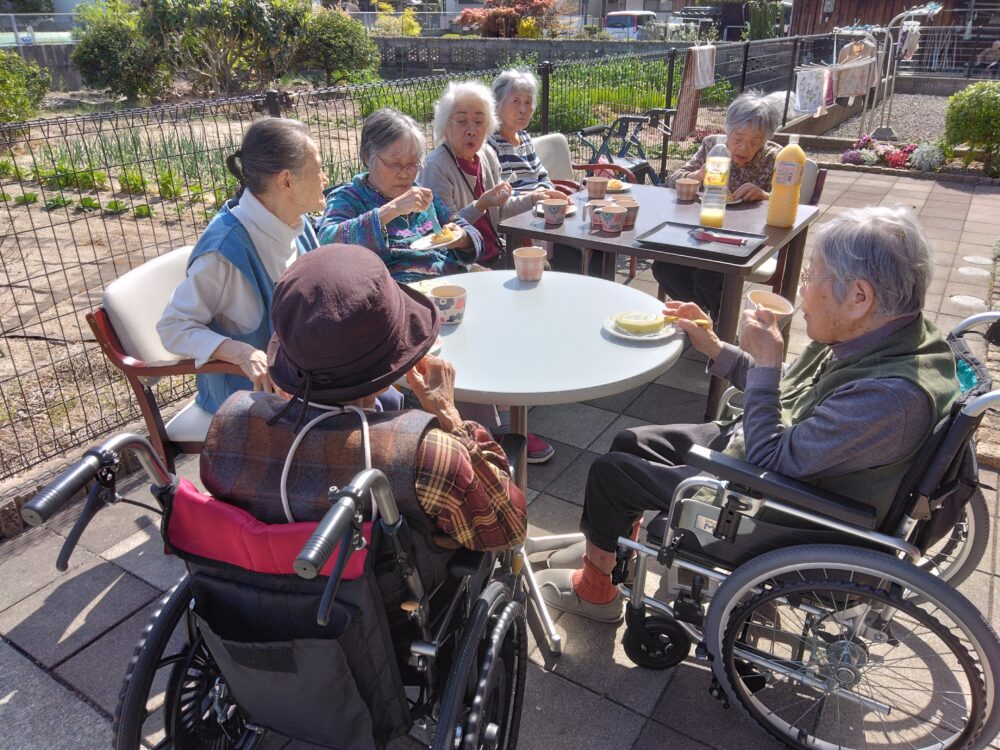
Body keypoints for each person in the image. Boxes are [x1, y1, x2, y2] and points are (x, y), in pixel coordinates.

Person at [534, 206, 959, 623]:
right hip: (776, 461)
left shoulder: (890, 398)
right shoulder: (888, 339)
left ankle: (597, 591)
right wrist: (716, 347)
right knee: (630, 442)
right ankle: (608, 552)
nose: (802, 290)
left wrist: (768, 363)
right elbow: (793, 391)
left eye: (811, 276)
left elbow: (770, 456)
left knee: (610, 475)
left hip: (773, 506)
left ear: (859, 297)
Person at [199, 243, 528, 553]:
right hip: (396, 591)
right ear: (391, 368)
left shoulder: (230, 425)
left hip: (267, 585)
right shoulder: (427, 455)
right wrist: (450, 417)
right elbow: (508, 528)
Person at [157, 117, 327, 413]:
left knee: (383, 397)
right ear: (286, 181)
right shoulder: (224, 252)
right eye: (319, 169)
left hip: (300, 385)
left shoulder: (297, 224)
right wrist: (241, 353)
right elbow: (173, 327)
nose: (325, 179)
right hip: (244, 403)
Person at [655, 91, 783, 321]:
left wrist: (764, 195)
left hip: (744, 239)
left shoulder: (774, 157)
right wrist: (697, 175)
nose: (744, 148)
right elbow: (672, 180)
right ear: (727, 130)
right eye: (738, 138)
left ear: (764, 140)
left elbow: (790, 203)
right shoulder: (712, 146)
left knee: (709, 276)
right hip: (703, 231)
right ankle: (699, 318)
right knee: (665, 268)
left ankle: (721, 323)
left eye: (754, 142)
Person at [316, 108, 484, 283]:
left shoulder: (423, 197)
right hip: (395, 293)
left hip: (447, 287)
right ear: (367, 157)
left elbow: (469, 233)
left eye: (413, 163)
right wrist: (391, 210)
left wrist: (462, 238)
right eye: (395, 163)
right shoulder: (348, 198)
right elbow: (326, 242)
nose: (405, 173)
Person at [420, 80, 560, 268]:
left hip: (496, 251)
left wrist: (533, 198)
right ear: (446, 126)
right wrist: (480, 205)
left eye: (479, 122)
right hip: (461, 263)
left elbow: (500, 211)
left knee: (541, 266)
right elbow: (443, 233)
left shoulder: (486, 154)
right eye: (461, 121)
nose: (472, 130)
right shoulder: (436, 166)